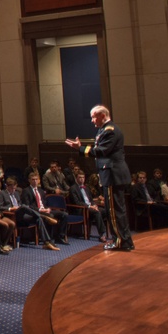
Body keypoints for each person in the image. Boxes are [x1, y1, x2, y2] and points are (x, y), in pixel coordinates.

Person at [67, 105, 133, 251]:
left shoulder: (110, 131)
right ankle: (123, 240)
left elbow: (102, 151)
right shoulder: (104, 130)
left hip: (113, 174)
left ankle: (120, 241)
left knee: (114, 211)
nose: (91, 120)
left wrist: (80, 148)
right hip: (111, 174)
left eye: (94, 117)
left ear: (103, 116)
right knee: (115, 210)